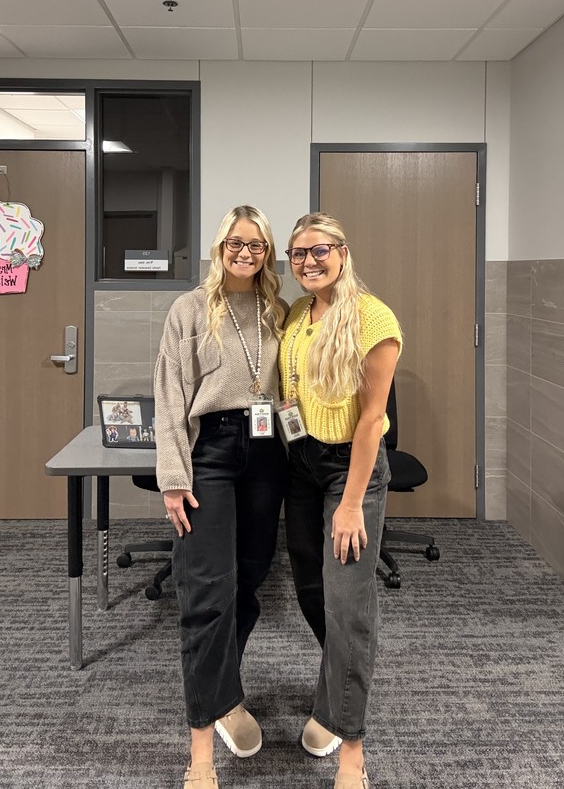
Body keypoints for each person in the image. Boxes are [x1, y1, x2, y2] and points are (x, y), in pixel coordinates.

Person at [155, 205, 288, 789]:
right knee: (207, 592)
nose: (245, 252)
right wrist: (173, 476)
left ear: (268, 253)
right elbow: (168, 396)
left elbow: (288, 395)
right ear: (219, 246)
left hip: (266, 452)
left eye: (257, 245)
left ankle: (225, 691)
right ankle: (201, 754)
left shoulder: (278, 312)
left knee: (249, 580)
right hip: (209, 451)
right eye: (236, 242)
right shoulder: (189, 310)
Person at [279, 212, 402, 789]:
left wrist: (351, 503)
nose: (308, 261)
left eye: (319, 250)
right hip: (300, 465)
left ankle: (352, 749)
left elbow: (373, 418)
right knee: (309, 584)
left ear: (343, 252)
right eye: (298, 252)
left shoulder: (373, 318)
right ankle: (335, 698)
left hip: (349, 473)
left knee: (348, 601)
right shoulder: (298, 312)